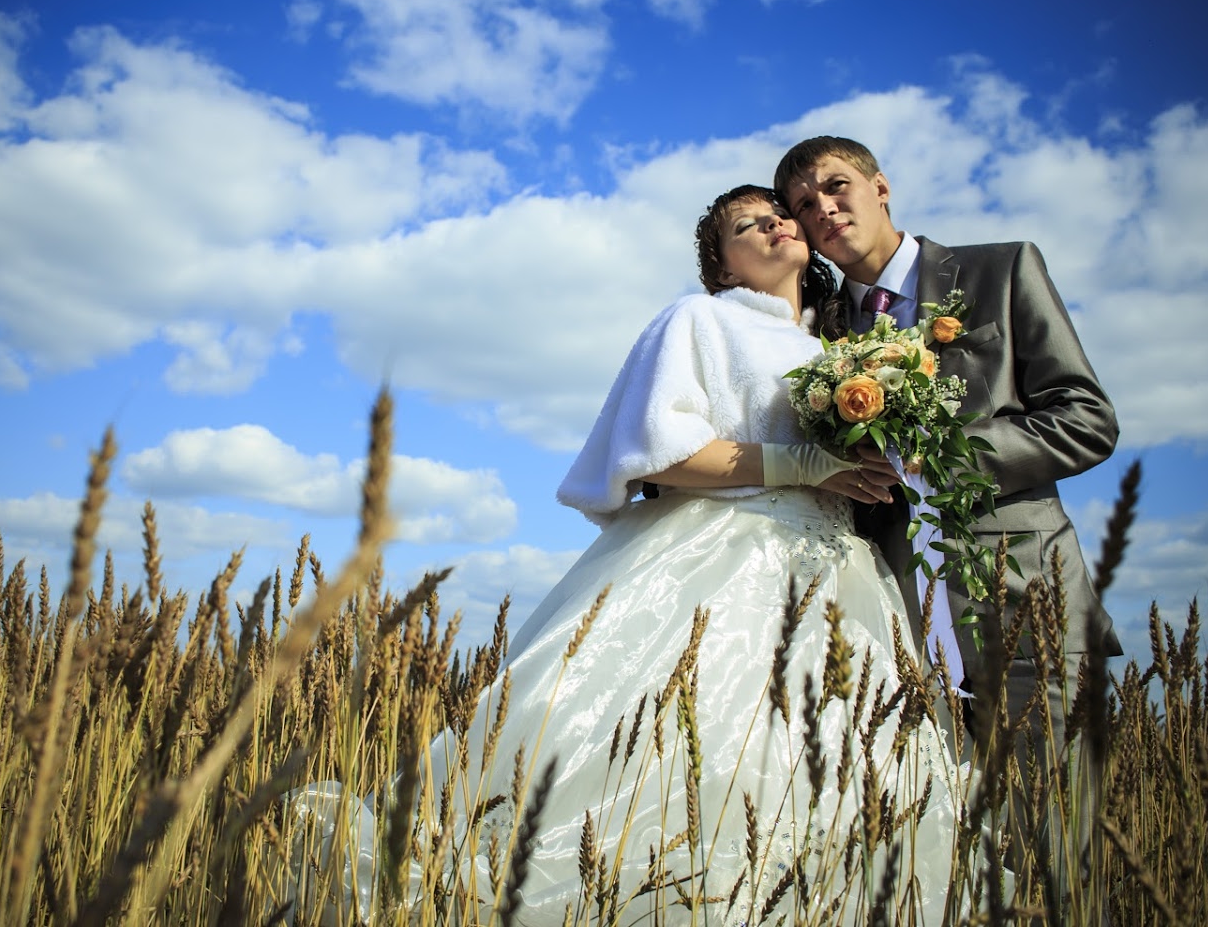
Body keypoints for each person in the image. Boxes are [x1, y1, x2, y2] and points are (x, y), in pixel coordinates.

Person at [288, 185, 969, 925]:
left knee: (832, 772)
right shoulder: (700, 319)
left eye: (779, 214)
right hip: (720, 561)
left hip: (835, 580)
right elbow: (660, 453)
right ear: (725, 266)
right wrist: (802, 466)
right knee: (684, 756)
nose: (774, 223)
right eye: (749, 223)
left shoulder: (837, 355)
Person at [774, 136, 1122, 902]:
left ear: (881, 186)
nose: (823, 208)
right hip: (893, 627)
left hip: (1026, 597)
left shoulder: (1002, 270)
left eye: (836, 186)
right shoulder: (819, 335)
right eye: (804, 204)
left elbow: (1087, 419)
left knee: (1062, 850)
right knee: (941, 864)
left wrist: (947, 453)